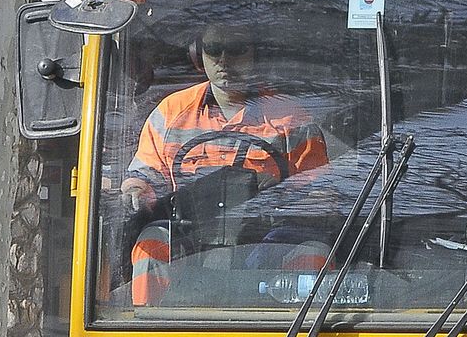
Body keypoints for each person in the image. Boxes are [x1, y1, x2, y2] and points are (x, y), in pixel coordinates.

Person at [122, 22, 329, 304]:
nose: (223, 60)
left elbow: (317, 190)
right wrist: (137, 188)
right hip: (188, 237)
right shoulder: (170, 113)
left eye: (235, 50)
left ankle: (303, 331)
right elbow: (147, 173)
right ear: (199, 56)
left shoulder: (290, 117)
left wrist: (283, 194)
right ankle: (144, 329)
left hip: (267, 238)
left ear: (257, 56)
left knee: (314, 255)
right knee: (150, 247)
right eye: (213, 50)